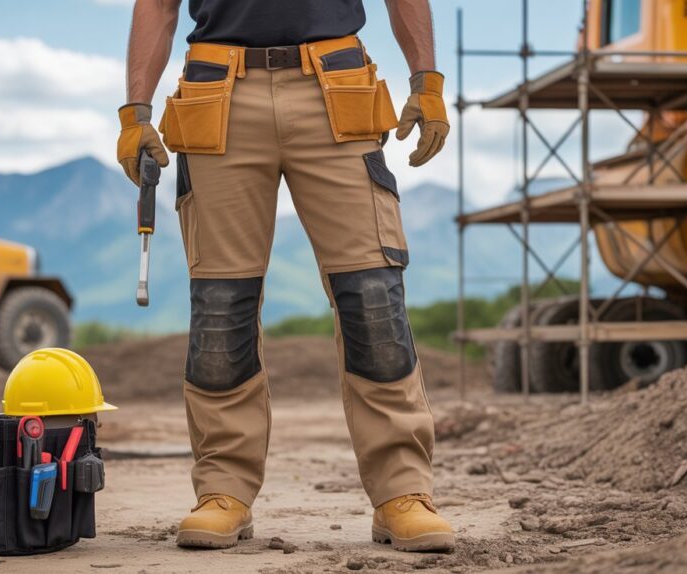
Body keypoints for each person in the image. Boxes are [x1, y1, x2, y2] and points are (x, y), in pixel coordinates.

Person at [116, 0, 452, 552]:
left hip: (338, 83)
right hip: (215, 90)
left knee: (373, 296)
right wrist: (135, 113)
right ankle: (223, 491)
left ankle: (403, 492)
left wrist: (427, 82)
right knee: (222, 306)